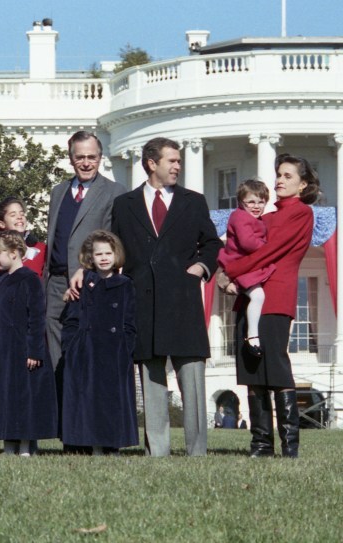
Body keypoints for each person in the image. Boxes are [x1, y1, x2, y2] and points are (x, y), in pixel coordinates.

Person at [110, 137, 222, 457]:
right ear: (151, 163)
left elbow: (212, 244)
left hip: (183, 301)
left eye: (178, 161)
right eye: (171, 161)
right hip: (142, 301)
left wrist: (201, 267)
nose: (177, 166)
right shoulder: (125, 204)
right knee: (152, 381)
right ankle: (157, 451)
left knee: (193, 382)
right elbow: (116, 248)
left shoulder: (194, 201)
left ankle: (196, 451)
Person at [222, 154, 319, 458]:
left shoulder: (301, 213)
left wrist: (233, 272)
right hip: (249, 293)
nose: (279, 180)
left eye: (288, 176)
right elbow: (235, 247)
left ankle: (290, 446)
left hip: (275, 296)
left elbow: (271, 252)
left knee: (275, 367)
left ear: (303, 185)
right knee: (252, 369)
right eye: (279, 174)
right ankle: (261, 444)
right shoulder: (263, 216)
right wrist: (227, 274)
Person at [45, 131, 127, 372]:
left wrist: (87, 268)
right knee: (56, 352)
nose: (86, 163)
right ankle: (62, 405)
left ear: (100, 158)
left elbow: (114, 240)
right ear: (71, 159)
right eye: (80, 157)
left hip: (91, 281)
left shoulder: (115, 191)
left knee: (88, 350)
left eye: (92, 157)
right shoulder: (58, 192)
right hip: (57, 284)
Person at [0, 231, 57, 456]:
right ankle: (7, 444)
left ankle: (24, 446)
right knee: (4, 395)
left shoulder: (31, 279)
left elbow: (36, 317)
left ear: (13, 254)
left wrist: (34, 350)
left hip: (23, 348)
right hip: (2, 347)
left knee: (24, 397)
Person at [61, 230, 137, 455]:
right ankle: (93, 445)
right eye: (98, 254)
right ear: (90, 258)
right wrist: (72, 346)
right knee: (90, 399)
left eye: (108, 253)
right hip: (87, 350)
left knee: (111, 400)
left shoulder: (124, 284)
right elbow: (71, 318)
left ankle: (112, 445)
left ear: (116, 255)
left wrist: (126, 346)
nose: (104, 258)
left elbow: (130, 320)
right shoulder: (84, 283)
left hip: (115, 351)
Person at [217, 180, 275, 357]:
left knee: (257, 296)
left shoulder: (251, 218)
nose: (256, 206)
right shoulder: (240, 216)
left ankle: (253, 334)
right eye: (251, 202)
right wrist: (267, 246)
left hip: (246, 264)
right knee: (258, 296)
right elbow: (248, 242)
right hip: (241, 264)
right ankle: (252, 336)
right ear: (241, 202)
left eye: (261, 201)